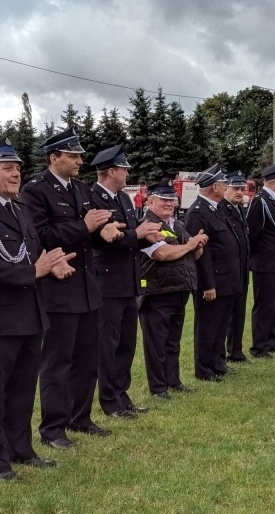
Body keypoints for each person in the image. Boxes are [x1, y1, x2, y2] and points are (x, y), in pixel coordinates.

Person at [0, 140, 75, 482]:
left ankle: (21, 449)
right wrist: (35, 271)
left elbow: (33, 253)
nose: (15, 173)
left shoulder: (19, 209)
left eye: (18, 168)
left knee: (23, 388)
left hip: (30, 312)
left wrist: (51, 266)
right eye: (8, 168)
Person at [21, 128, 124, 449]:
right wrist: (85, 227)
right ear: (54, 158)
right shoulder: (36, 191)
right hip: (58, 290)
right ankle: (53, 428)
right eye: (73, 156)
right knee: (57, 363)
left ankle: (81, 417)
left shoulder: (81, 189)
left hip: (87, 288)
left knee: (86, 360)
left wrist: (102, 232)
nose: (80, 160)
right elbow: (38, 236)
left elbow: (88, 234)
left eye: (80, 155)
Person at [89, 145, 162, 419]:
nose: (128, 172)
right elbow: (106, 241)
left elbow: (129, 235)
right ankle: (109, 401)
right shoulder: (93, 198)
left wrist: (144, 237)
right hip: (107, 283)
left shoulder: (123, 199)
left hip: (129, 282)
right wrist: (137, 233)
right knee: (108, 344)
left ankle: (122, 395)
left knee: (126, 344)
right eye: (124, 169)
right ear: (111, 171)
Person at [138, 182, 208, 399]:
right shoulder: (148, 225)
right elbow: (163, 254)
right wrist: (190, 245)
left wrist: (197, 247)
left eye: (172, 200)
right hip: (157, 292)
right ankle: (158, 388)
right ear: (150, 202)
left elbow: (190, 254)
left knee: (172, 341)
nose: (169, 204)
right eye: (164, 200)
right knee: (156, 344)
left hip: (179, 289)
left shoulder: (176, 225)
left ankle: (173, 380)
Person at [184, 165, 242, 382]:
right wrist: (207, 284)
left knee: (221, 325)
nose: (226, 187)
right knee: (208, 326)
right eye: (224, 183)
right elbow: (201, 254)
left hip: (227, 278)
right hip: (213, 280)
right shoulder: (198, 212)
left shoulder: (216, 208)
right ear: (215, 186)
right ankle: (204, 368)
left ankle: (218, 362)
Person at [247, 162, 275, 358]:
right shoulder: (260, 201)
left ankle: (273, 340)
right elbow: (252, 234)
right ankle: (259, 346)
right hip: (266, 264)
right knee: (265, 305)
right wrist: (260, 258)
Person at [221, 171, 251, 362]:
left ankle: (236, 350)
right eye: (235, 188)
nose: (239, 192)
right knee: (227, 314)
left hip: (242, 266)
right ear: (226, 188)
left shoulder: (240, 209)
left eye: (242, 189)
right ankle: (224, 353)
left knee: (239, 311)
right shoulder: (222, 208)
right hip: (228, 269)